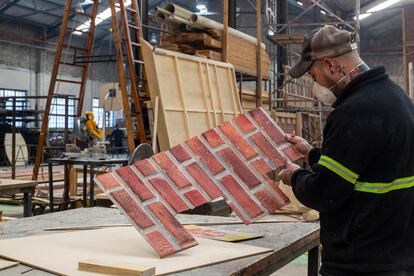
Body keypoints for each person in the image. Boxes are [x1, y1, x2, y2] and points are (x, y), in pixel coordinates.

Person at [278, 25, 414, 275]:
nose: (314, 84)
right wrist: (311, 153)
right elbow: (364, 167)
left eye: (312, 75)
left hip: (359, 263)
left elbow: (325, 194)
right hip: (397, 255)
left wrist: (294, 176)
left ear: (330, 65)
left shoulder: (353, 112)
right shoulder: (397, 99)